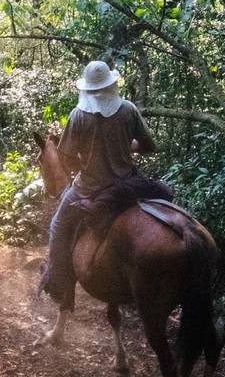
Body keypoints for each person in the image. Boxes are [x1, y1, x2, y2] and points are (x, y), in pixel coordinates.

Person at [40, 60, 156, 341]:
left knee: (57, 227)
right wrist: (128, 147)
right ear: (111, 85)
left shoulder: (79, 115)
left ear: (89, 89)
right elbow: (149, 146)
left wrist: (87, 159)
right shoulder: (128, 109)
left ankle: (56, 280)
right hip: (127, 187)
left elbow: (66, 158)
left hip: (88, 189)